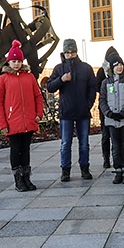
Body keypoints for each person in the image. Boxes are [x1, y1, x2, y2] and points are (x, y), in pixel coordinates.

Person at [0, 40, 45, 192]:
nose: (16, 64)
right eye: (13, 61)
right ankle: (18, 179)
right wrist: (2, 123)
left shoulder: (29, 77)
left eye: (18, 61)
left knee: (26, 149)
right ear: (9, 62)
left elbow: (38, 96)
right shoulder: (3, 79)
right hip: (12, 121)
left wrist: (38, 114)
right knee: (15, 150)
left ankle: (26, 177)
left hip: (28, 120)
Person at [45, 39, 98, 182]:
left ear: (76, 52)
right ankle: (65, 170)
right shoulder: (58, 69)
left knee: (84, 143)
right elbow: (49, 87)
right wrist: (61, 79)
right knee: (65, 143)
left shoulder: (86, 68)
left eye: (72, 52)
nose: (70, 55)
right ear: (64, 53)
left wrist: (88, 104)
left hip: (83, 112)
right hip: (66, 112)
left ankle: (85, 168)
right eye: (67, 52)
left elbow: (93, 87)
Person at [99, 51, 124, 184]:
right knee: (115, 147)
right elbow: (102, 100)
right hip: (111, 120)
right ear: (111, 67)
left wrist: (123, 112)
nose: (119, 67)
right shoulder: (106, 83)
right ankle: (118, 171)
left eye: (121, 64)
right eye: (116, 65)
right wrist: (109, 113)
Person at [95, 45, 118, 168]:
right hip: (105, 107)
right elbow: (97, 86)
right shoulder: (101, 71)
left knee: (116, 134)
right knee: (105, 134)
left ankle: (116, 157)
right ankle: (106, 158)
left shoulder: (120, 69)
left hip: (118, 107)